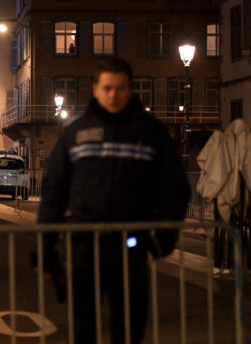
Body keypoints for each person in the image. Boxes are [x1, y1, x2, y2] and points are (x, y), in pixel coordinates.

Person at [38, 58, 190, 344]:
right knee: (83, 329)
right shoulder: (76, 133)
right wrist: (44, 248)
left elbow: (175, 190)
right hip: (84, 247)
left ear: (130, 90)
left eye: (120, 88)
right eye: (107, 88)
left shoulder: (151, 133)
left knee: (129, 330)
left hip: (131, 248)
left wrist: (162, 241)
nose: (113, 95)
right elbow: (53, 191)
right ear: (95, 89)